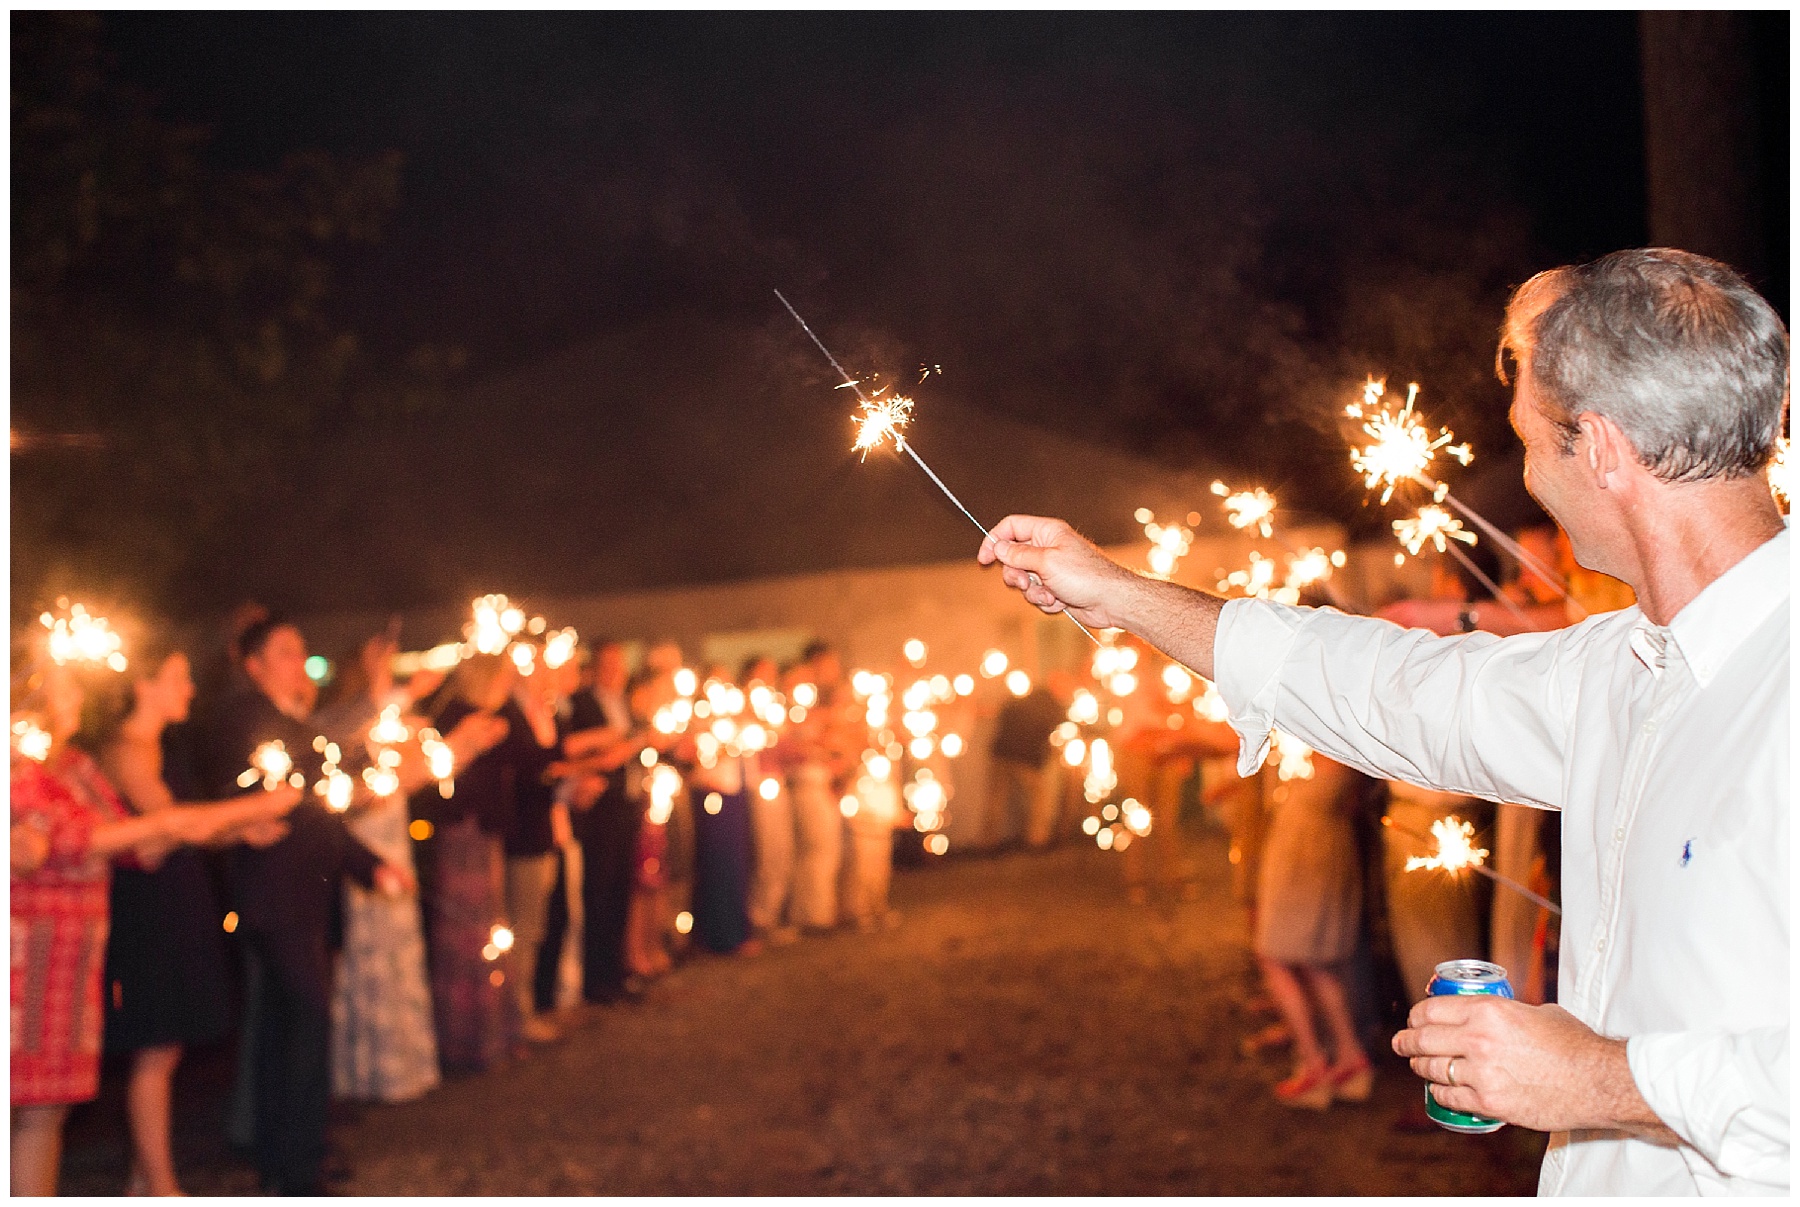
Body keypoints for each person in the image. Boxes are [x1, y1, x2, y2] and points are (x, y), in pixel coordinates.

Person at [978, 248, 1788, 1194]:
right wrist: (1118, 592)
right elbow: (1386, 685)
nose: (1527, 477)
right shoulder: (1622, 667)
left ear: (1601, 448)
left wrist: (1596, 1076)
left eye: (1529, 439)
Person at [12, 657, 297, 1197]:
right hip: (25, 962)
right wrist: (252, 807)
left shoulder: (73, 767)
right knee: (31, 1111)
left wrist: (233, 826)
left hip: (69, 963)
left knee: (45, 1115)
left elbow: (140, 840)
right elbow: (130, 834)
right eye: (67, 686)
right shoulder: (20, 775)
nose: (80, 695)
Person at [200, 615, 415, 1196]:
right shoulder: (247, 719)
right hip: (272, 898)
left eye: (301, 649)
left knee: (294, 1027)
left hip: (304, 896)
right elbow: (237, 796)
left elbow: (319, 807)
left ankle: (296, 1150)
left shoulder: (291, 726)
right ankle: (294, 1163)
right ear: (253, 664)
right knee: (300, 1025)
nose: (300, 660)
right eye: (286, 651)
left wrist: (371, 864)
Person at [92, 642, 295, 1195]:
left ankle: (144, 1178)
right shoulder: (126, 751)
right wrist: (254, 809)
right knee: (154, 1048)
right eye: (178, 678)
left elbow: (193, 828)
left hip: (178, 901)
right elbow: (172, 826)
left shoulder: (163, 746)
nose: (190, 689)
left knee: (169, 1047)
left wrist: (240, 830)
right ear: (143, 685)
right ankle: (160, 1185)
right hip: (147, 911)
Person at [1252, 739, 1376, 1109]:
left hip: (1306, 842)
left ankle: (1313, 1066)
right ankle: (1350, 1060)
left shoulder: (1320, 724)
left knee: (1274, 955)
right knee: (1313, 960)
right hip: (1319, 833)